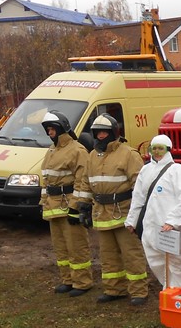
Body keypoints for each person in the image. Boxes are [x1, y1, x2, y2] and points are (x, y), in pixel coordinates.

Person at [77, 113, 150, 305]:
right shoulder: (92, 156)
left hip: (124, 212)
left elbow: (140, 184)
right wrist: (83, 206)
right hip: (101, 213)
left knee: (131, 253)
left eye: (104, 133)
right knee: (108, 255)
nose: (100, 136)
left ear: (113, 133)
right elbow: (86, 182)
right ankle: (114, 289)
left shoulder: (129, 154)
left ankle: (138, 291)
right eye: (97, 133)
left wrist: (140, 213)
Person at [125, 135, 181, 290]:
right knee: (155, 259)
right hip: (151, 225)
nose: (157, 152)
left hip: (171, 228)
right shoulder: (145, 169)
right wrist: (132, 220)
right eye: (153, 148)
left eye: (160, 148)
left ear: (168, 150)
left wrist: (172, 221)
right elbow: (138, 197)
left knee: (177, 263)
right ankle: (169, 291)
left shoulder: (178, 170)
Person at [39, 110, 93, 297]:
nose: (49, 132)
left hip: (69, 205)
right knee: (61, 248)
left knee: (76, 246)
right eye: (47, 129)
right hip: (53, 207)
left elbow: (83, 181)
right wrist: (44, 202)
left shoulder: (77, 150)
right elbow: (46, 180)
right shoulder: (51, 151)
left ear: (62, 128)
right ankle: (68, 280)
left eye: (52, 128)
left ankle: (83, 282)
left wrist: (76, 207)